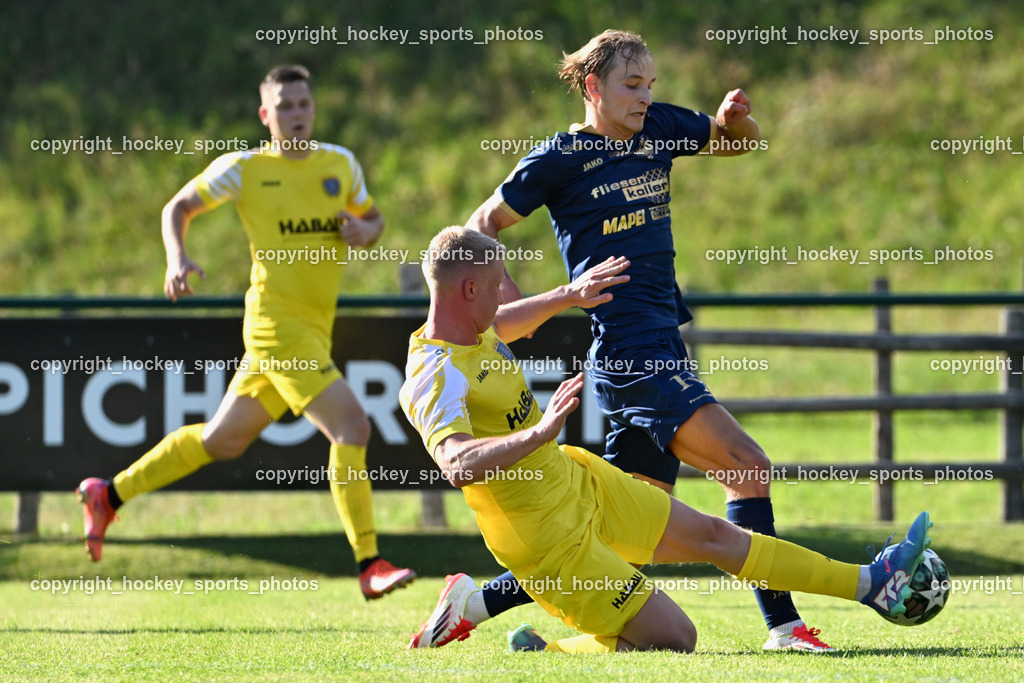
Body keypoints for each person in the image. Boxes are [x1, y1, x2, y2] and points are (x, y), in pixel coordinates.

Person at [410, 29, 830, 651]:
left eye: (650, 85)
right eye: (631, 85)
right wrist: (507, 308)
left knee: (620, 530)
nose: (644, 96)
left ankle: (482, 604)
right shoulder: (557, 159)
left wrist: (732, 122)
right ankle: (785, 627)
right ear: (592, 87)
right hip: (631, 349)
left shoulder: (660, 126)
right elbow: (481, 225)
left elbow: (739, 146)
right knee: (748, 466)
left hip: (661, 335)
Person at [400, 226, 931, 654]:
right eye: (496, 285)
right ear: (469, 290)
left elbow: (505, 324)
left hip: (578, 481)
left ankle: (871, 583)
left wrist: (568, 295)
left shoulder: (473, 327)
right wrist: (538, 432)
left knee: (717, 538)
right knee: (676, 639)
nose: (502, 293)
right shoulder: (435, 373)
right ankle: (546, 652)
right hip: (546, 542)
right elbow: (456, 463)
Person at [77, 64, 415, 600]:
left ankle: (110, 494)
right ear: (265, 115)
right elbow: (178, 207)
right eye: (284, 107)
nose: (296, 115)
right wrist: (178, 257)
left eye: (303, 104)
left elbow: (373, 220)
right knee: (352, 427)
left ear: (314, 108)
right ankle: (369, 562)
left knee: (223, 439)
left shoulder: (341, 164)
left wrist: (363, 230)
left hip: (312, 329)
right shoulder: (244, 169)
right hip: (276, 327)